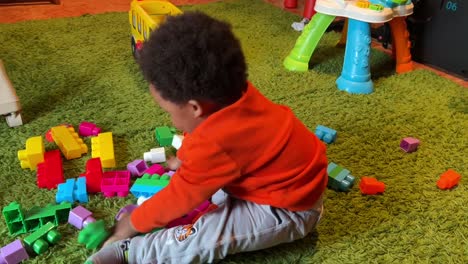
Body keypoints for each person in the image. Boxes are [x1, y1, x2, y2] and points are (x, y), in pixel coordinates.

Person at [86, 11, 328, 264]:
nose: (171, 120)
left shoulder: (217, 142)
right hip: (279, 179)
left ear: (194, 108)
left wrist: (130, 224)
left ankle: (129, 252)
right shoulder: (234, 92)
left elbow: (179, 197)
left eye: (168, 111)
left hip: (288, 209)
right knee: (208, 193)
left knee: (206, 235)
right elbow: (208, 137)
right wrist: (184, 162)